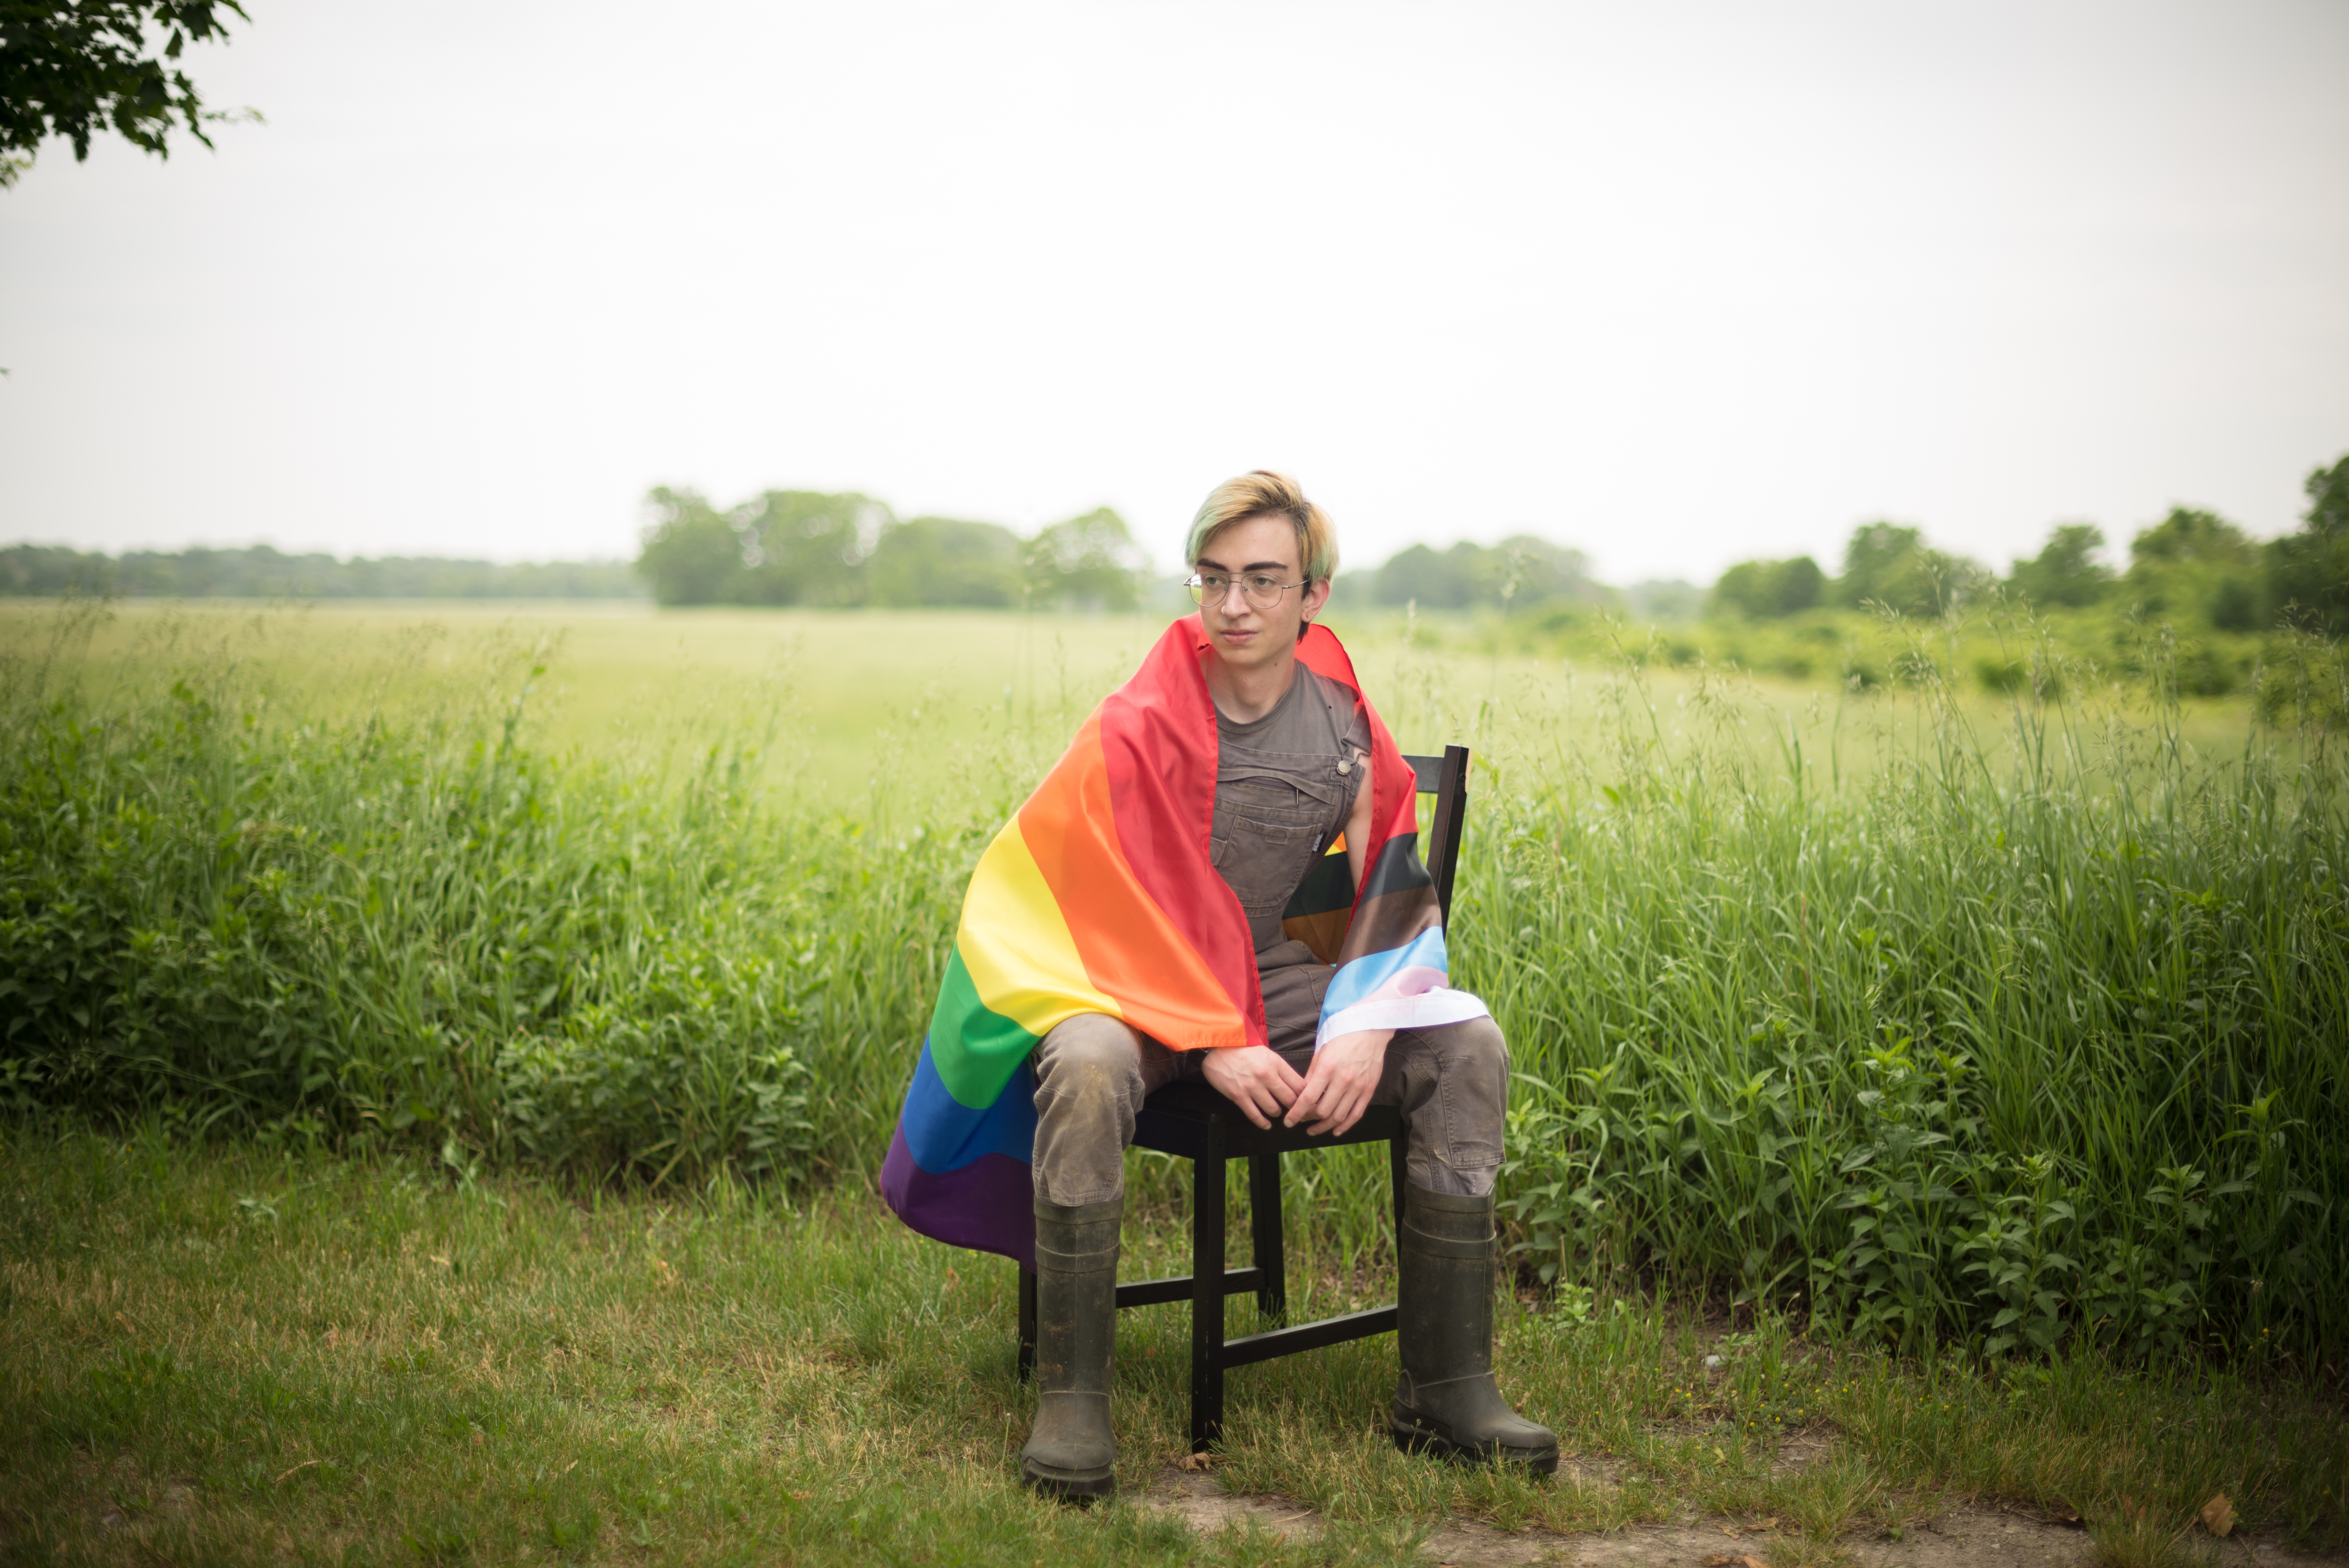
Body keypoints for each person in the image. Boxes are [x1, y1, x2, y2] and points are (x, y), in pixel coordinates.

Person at [1013, 472, 1556, 1499]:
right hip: (1136, 986)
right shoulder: (1136, 721)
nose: (1234, 607)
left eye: (1264, 581)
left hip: (1288, 992)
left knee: (1466, 1045)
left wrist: (1362, 1023)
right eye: (1213, 580)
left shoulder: (1347, 723)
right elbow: (1098, 896)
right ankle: (1074, 1401)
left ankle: (1447, 1387)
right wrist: (1211, 1032)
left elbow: (1385, 880)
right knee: (1083, 1064)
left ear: (1315, 594)